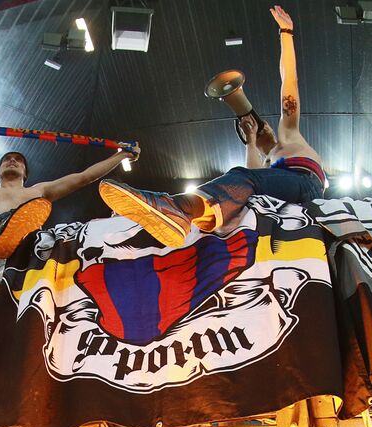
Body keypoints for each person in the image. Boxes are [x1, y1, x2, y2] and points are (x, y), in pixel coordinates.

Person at [98, 5, 326, 248]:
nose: (263, 130)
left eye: (262, 127)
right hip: (283, 193)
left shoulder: (288, 134)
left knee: (241, 177)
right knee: (242, 192)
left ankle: (178, 208)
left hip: (305, 183)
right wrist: (250, 142)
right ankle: (167, 216)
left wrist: (286, 33)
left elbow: (289, 81)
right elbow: (254, 184)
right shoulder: (267, 162)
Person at [0, 126, 138, 258]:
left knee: (62, 234)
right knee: (0, 221)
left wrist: (122, 155)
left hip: (30, 248)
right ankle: (8, 230)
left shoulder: (40, 191)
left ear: (25, 173)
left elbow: (84, 177)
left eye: (18, 160)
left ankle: (29, 237)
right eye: (7, 160)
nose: (12, 161)